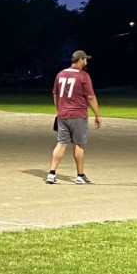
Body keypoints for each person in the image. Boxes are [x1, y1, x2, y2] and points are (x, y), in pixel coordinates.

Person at [46, 50, 101, 184]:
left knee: (61, 143)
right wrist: (97, 115)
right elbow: (90, 97)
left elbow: (55, 95)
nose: (86, 62)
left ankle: (51, 173)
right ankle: (80, 175)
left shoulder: (60, 74)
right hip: (78, 115)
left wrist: (60, 110)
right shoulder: (83, 76)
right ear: (80, 60)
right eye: (85, 59)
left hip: (63, 115)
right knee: (78, 144)